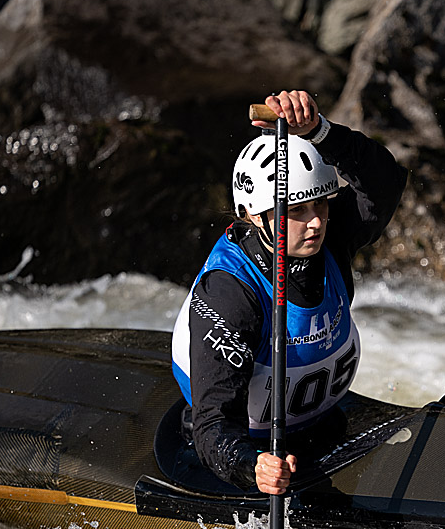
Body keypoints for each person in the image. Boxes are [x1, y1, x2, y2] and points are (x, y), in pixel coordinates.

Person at [171, 90, 407, 495]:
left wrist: (319, 132)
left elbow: (384, 182)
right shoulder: (229, 296)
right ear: (253, 215)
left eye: (320, 205)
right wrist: (251, 466)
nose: (314, 223)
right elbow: (212, 425)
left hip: (324, 427)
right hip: (254, 449)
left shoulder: (329, 238)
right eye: (295, 211)